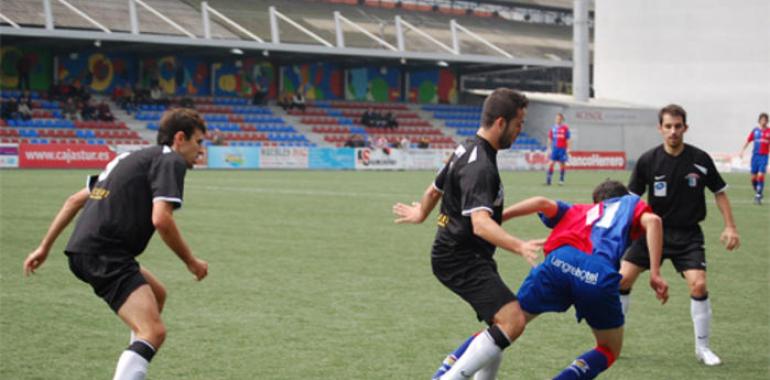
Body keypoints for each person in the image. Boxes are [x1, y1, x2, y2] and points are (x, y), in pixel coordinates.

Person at [23, 108, 209, 380]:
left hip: (85, 249)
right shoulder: (171, 161)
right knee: (154, 332)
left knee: (157, 294)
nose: (200, 150)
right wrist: (191, 262)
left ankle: (135, 363)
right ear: (180, 138)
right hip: (105, 252)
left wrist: (44, 248)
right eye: (199, 142)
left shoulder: (130, 158)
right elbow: (161, 219)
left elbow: (74, 200)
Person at [431, 180, 669, 379]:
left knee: (504, 324)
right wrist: (655, 272)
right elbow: (655, 222)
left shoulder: (581, 209)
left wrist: (499, 219)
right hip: (596, 274)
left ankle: (446, 369)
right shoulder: (630, 204)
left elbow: (541, 203)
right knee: (609, 348)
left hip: (556, 263)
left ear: (597, 201)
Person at [393, 88, 542, 379]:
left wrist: (421, 213)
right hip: (460, 257)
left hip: (463, 254)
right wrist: (519, 246)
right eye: (518, 123)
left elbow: (434, 188)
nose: (520, 130)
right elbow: (481, 224)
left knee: (500, 323)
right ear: (501, 122)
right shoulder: (481, 166)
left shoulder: (466, 148)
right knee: (513, 320)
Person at [620, 104, 740, 366]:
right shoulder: (648, 160)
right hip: (652, 231)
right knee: (622, 279)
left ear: (685, 127)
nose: (673, 131)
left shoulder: (700, 159)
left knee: (699, 284)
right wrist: (617, 231)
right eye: (668, 126)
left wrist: (730, 226)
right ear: (660, 129)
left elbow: (719, 192)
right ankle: (612, 341)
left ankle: (703, 348)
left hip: (688, 235)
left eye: (678, 126)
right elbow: (630, 200)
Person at [738, 112, 769, 204]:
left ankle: (758, 196)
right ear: (759, 121)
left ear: (767, 121)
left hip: (764, 157)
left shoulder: (769, 132)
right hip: (755, 157)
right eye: (762, 120)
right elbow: (748, 141)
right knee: (753, 178)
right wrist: (742, 151)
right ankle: (758, 191)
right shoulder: (755, 131)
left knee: (760, 175)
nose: (763, 121)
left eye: (765, 120)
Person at [546, 113, 570, 186]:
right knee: (551, 163)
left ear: (562, 120)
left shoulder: (565, 128)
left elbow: (568, 139)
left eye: (559, 119)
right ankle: (549, 179)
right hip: (555, 148)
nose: (557, 120)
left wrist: (568, 148)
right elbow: (550, 138)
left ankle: (561, 179)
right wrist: (549, 148)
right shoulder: (553, 128)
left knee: (562, 164)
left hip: (562, 149)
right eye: (556, 118)